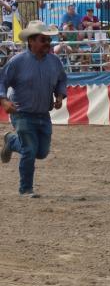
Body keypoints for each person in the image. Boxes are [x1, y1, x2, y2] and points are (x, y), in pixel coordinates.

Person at [0, 21, 67, 197]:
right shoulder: (17, 62)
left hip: (43, 114)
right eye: (43, 39)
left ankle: (11, 141)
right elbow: (2, 81)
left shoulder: (55, 62)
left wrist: (59, 96)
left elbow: (62, 80)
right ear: (31, 41)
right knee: (29, 150)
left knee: (41, 152)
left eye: (48, 40)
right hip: (21, 113)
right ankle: (26, 189)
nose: (47, 43)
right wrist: (4, 101)